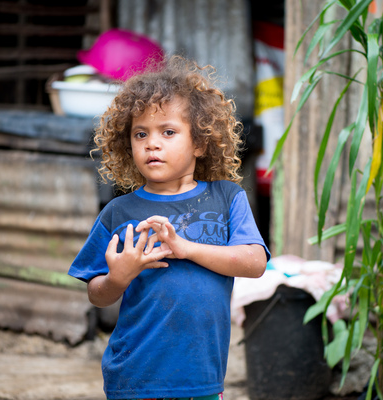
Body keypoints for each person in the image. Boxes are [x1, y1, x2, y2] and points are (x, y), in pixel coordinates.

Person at [68, 55, 270, 400]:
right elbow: (96, 294)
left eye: (169, 132)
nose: (152, 143)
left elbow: (255, 262)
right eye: (140, 133)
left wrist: (186, 249)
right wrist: (119, 277)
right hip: (135, 378)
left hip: (202, 379)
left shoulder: (227, 198)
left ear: (200, 142)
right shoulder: (119, 212)